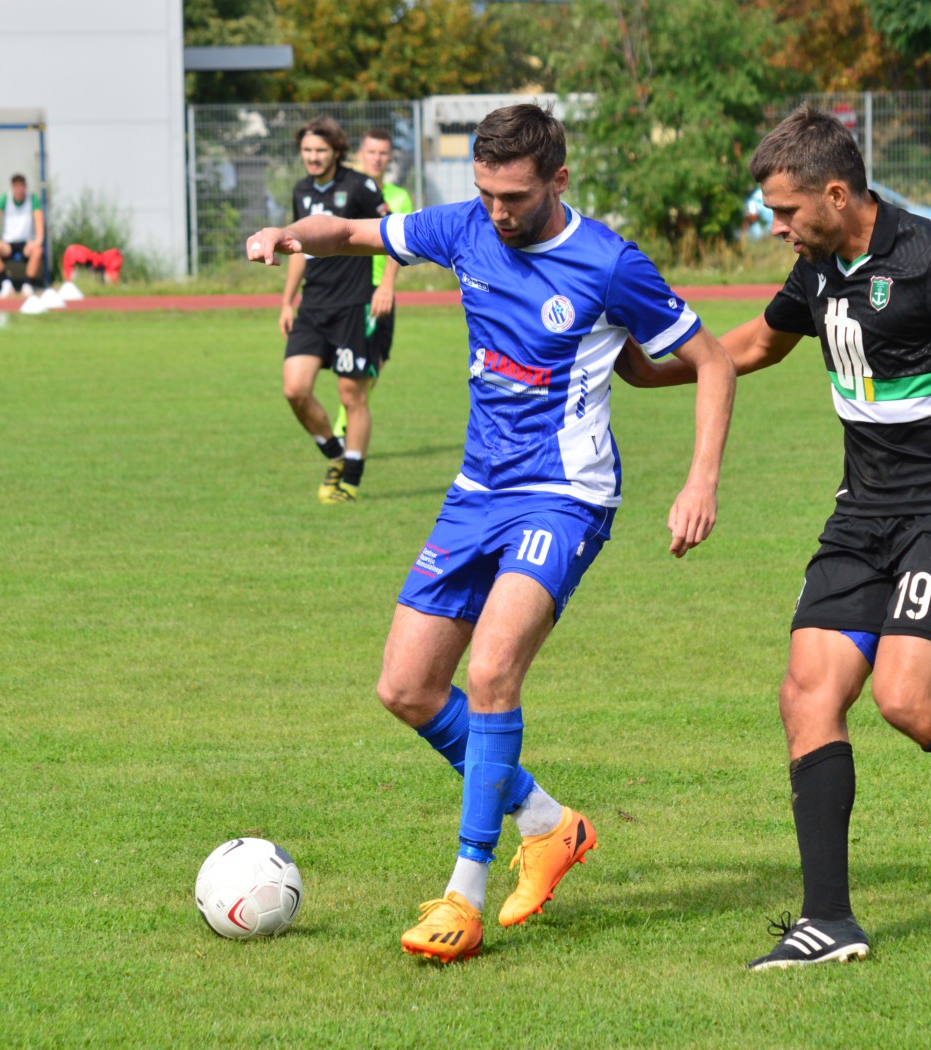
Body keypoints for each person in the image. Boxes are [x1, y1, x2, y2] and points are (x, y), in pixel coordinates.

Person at [619, 104, 931, 969]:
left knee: (905, 700)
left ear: (836, 194)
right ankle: (828, 921)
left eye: (785, 211)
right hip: (863, 511)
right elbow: (758, 343)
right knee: (806, 695)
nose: (776, 228)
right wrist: (650, 371)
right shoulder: (817, 266)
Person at [247, 103, 736, 963]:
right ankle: (547, 822)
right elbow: (351, 234)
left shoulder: (608, 262)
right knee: (405, 687)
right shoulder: (465, 228)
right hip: (475, 493)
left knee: (490, 672)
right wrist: (289, 235)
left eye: (514, 196)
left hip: (565, 496)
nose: (499, 212)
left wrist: (699, 481)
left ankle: (463, 895)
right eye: (486, 194)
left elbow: (711, 361)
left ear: (558, 180)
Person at [276, 117, 390, 504]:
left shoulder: (359, 186)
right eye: (307, 150)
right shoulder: (301, 190)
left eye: (320, 150)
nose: (312, 157)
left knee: (351, 396)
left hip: (353, 306)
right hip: (312, 307)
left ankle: (350, 482)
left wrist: (386, 286)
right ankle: (335, 454)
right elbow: (298, 251)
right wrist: (287, 300)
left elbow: (395, 233)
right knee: (294, 389)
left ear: (336, 151)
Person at [334, 128, 414, 442]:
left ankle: (347, 422)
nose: (377, 159)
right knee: (353, 363)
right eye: (371, 152)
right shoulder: (346, 191)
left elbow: (400, 245)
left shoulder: (399, 197)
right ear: (360, 154)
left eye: (383, 153)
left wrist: (387, 286)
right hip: (350, 288)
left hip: (380, 287)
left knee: (376, 361)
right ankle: (343, 428)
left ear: (390, 157)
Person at [0, 173, 46, 297]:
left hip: (26, 242)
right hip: (8, 243)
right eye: (16, 187)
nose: (19, 190)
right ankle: (6, 284)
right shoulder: (5, 198)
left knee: (38, 250)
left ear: (25, 187)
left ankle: (28, 285)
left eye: (21, 186)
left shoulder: (33, 199)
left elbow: (39, 219)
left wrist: (38, 240)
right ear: (12, 187)